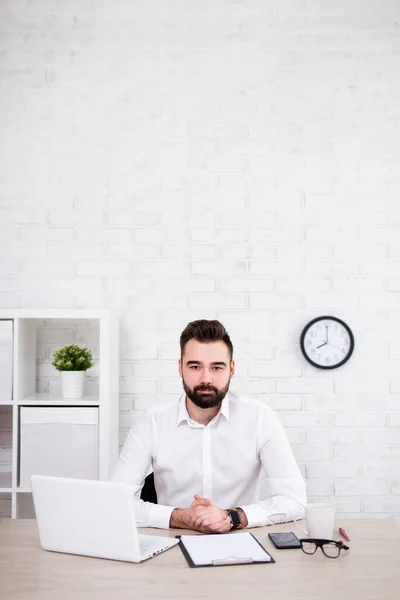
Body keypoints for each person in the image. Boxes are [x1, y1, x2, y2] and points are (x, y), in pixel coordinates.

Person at [111, 319, 306, 533]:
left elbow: (295, 500)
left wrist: (232, 517)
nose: (206, 378)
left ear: (231, 369)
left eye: (216, 367)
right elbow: (116, 502)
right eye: (195, 366)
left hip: (240, 540)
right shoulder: (153, 423)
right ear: (180, 368)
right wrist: (181, 517)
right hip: (171, 544)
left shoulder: (260, 418)